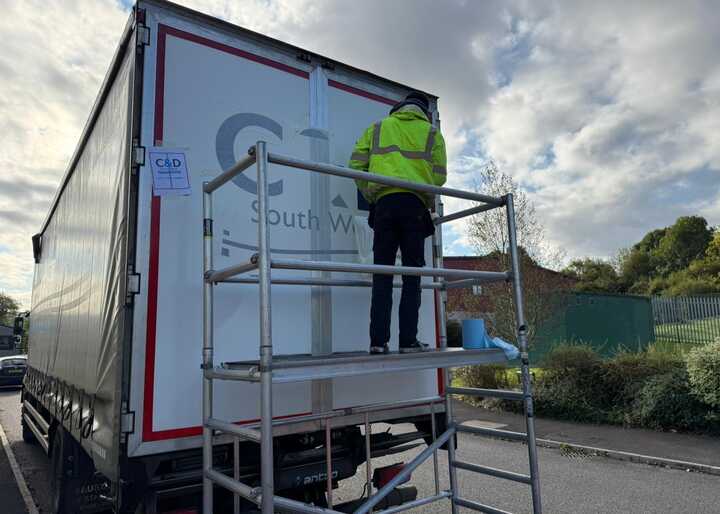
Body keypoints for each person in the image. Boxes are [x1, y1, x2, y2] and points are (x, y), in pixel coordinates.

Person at [349, 91, 447, 354]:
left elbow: (355, 165)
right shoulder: (431, 133)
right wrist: (422, 188)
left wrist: (372, 193)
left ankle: (378, 342)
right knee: (413, 275)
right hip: (414, 205)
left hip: (384, 204)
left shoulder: (378, 127)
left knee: (382, 273)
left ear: (399, 107)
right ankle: (408, 341)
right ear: (424, 111)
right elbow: (439, 176)